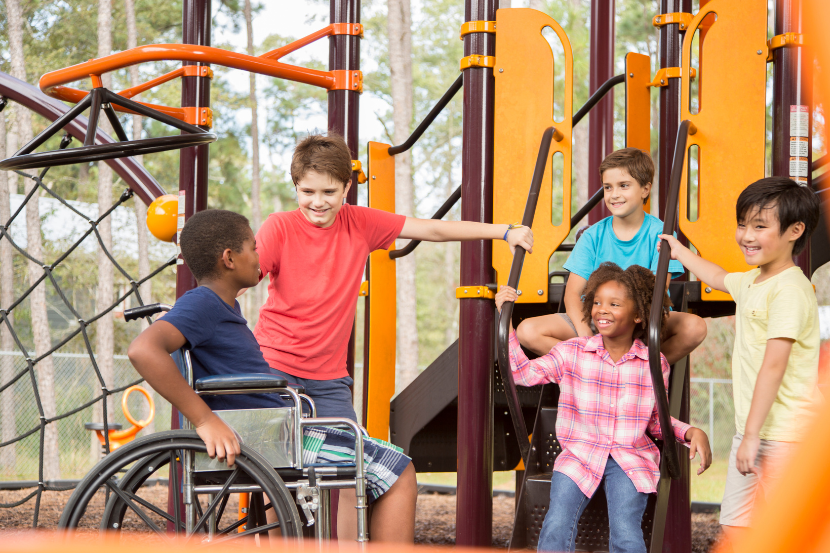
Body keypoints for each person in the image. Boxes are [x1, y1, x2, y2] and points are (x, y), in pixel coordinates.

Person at [127, 209, 417, 543]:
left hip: (275, 432)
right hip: (269, 439)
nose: (260, 255)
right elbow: (142, 350)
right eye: (254, 247)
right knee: (398, 472)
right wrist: (205, 420)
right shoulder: (203, 304)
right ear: (229, 259)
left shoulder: (218, 305)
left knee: (378, 458)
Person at [495, 262, 712, 553]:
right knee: (556, 523)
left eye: (614, 304)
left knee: (626, 532)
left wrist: (689, 432)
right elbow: (523, 374)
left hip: (629, 459)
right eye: (596, 302)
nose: (602, 310)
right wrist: (506, 323)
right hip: (579, 455)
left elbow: (654, 420)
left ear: (638, 314)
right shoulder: (572, 352)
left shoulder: (653, 363)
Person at [657, 177, 823, 545]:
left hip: (788, 437)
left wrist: (750, 436)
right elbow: (717, 276)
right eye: (743, 224)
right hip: (751, 431)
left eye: (760, 226)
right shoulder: (752, 282)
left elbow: (774, 366)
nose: (746, 235)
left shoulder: (790, 290)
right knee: (735, 526)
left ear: (795, 231)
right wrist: (680, 251)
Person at [514, 148, 707, 365]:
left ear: (645, 189)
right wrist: (588, 340)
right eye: (608, 187)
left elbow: (656, 292)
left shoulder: (661, 235)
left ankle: (641, 368)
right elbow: (572, 294)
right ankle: (594, 365)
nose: (614, 194)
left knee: (695, 327)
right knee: (527, 331)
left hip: (641, 321)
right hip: (598, 319)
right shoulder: (592, 236)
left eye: (623, 185)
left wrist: (633, 323)